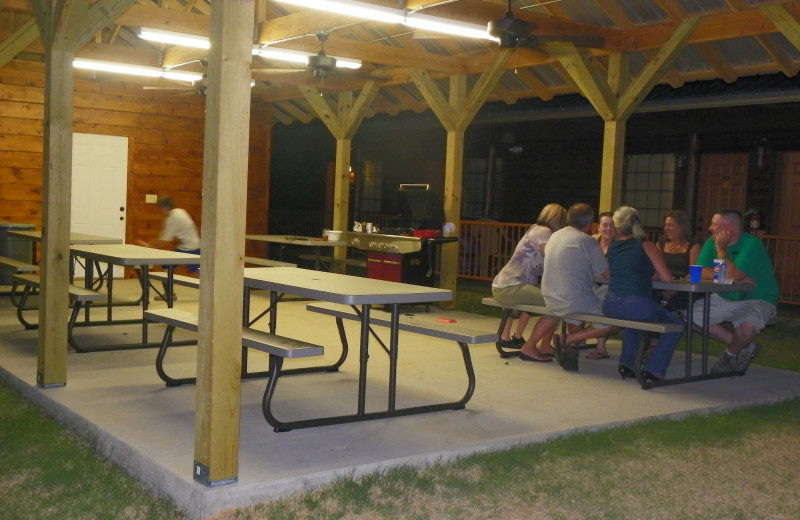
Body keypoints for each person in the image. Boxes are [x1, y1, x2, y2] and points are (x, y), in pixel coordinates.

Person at [601, 206, 684, 382]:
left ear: (617, 227)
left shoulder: (613, 248)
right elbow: (667, 278)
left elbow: (610, 273)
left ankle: (627, 365)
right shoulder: (645, 245)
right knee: (676, 325)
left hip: (610, 304)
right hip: (636, 303)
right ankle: (654, 370)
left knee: (635, 324)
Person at [694, 209, 779, 375]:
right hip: (725, 296)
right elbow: (698, 271)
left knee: (747, 328)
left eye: (714, 224)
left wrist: (720, 248)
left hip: (757, 297)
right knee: (693, 317)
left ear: (728, 227)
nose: (710, 228)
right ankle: (745, 346)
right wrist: (729, 278)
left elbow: (732, 275)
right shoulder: (710, 242)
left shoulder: (751, 244)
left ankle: (729, 355)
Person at [538, 203, 620, 371]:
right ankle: (567, 340)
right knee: (617, 320)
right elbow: (606, 274)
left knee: (575, 316)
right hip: (572, 299)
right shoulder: (587, 240)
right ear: (589, 222)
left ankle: (571, 351)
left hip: (551, 296)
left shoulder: (555, 236)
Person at [492, 203, 567, 361]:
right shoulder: (544, 232)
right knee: (557, 304)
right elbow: (551, 258)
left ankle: (545, 345)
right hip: (511, 286)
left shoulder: (534, 229)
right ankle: (530, 347)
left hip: (505, 284)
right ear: (559, 220)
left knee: (555, 301)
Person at [137, 195, 201, 274]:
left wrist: (148, 246)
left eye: (159, 208)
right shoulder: (180, 211)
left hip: (189, 249)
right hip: (192, 246)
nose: (159, 210)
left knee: (168, 267)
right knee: (171, 267)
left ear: (165, 208)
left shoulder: (172, 218)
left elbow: (163, 242)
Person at [585, 211, 616, 359]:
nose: (608, 228)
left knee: (604, 300)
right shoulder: (591, 242)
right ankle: (575, 341)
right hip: (590, 284)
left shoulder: (619, 246)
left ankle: (600, 347)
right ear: (598, 227)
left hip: (610, 286)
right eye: (605, 225)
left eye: (612, 225)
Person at [656, 210, 701, 310]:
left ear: (682, 227)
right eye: (665, 225)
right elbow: (656, 268)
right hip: (662, 284)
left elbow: (693, 273)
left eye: (670, 225)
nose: (666, 229)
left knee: (672, 304)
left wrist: (673, 290)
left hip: (684, 288)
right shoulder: (661, 244)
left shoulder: (693, 246)